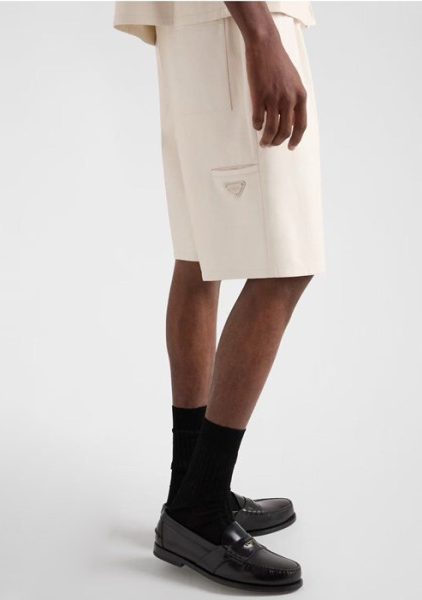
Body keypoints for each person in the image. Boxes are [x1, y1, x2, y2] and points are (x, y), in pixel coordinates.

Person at [113, 1, 326, 592]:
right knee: (285, 264)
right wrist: (261, 35)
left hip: (203, 25)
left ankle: (192, 488)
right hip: (236, 21)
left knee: (200, 255)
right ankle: (200, 508)